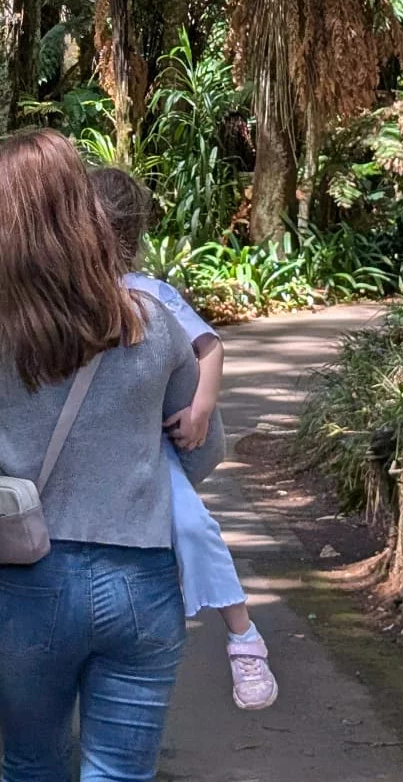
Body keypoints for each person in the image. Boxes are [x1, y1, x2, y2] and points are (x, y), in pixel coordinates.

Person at [0, 127, 225, 782]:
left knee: (32, 765)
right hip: (141, 581)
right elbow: (203, 450)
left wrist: (6, 452)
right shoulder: (151, 321)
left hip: (28, 579)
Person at [90, 165, 278, 710]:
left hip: (147, 446)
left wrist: (200, 409)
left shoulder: (151, 293)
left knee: (193, 524)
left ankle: (243, 637)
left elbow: (209, 346)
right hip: (87, 448)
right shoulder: (61, 293)